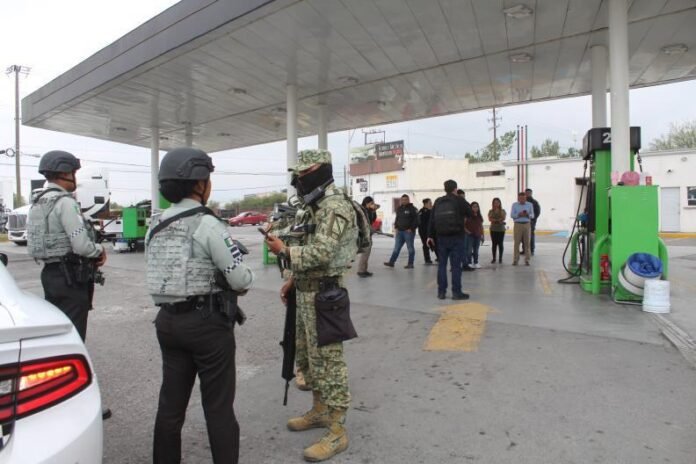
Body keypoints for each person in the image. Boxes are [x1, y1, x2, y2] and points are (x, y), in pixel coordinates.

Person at [146, 147, 254, 464]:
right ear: (199, 183)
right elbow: (241, 280)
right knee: (218, 408)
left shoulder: (156, 223)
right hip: (206, 326)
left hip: (167, 323)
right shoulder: (208, 225)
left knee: (170, 407)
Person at [265, 149, 358, 462]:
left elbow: (321, 252)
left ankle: (337, 431)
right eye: (299, 173)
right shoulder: (312, 206)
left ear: (323, 171)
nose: (300, 178)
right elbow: (305, 242)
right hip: (305, 293)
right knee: (307, 358)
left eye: (306, 172)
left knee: (330, 364)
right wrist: (292, 279)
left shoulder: (335, 205)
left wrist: (284, 252)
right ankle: (320, 410)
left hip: (325, 297)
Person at [26, 150, 110, 419]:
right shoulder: (65, 203)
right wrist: (99, 250)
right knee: (75, 341)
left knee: (59, 338)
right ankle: (77, 402)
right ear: (64, 173)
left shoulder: (38, 202)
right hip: (71, 277)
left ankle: (53, 398)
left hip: (51, 274)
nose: (75, 177)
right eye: (73, 172)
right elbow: (81, 245)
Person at [427, 180, 472, 300]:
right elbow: (470, 213)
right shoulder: (459, 200)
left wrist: (430, 235)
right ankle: (456, 293)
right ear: (455, 189)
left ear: (445, 189)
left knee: (442, 265)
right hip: (457, 237)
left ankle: (441, 292)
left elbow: (432, 219)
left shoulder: (438, 201)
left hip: (441, 237)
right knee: (456, 266)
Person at [384, 194, 418, 269]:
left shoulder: (413, 209)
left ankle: (410, 264)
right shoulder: (399, 208)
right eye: (402, 200)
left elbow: (417, 220)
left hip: (408, 232)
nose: (404, 201)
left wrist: (411, 228)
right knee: (396, 248)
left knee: (410, 248)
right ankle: (391, 262)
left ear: (408, 200)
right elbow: (397, 218)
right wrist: (396, 227)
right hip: (399, 232)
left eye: (405, 199)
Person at [511, 191, 535, 266]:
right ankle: (515, 260)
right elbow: (512, 215)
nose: (522, 200)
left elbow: (532, 215)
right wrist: (519, 214)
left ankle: (527, 260)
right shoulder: (514, 205)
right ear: (518, 198)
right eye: (520, 198)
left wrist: (528, 215)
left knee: (527, 243)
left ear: (526, 198)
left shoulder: (530, 205)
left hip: (527, 224)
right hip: (518, 224)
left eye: (524, 198)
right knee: (516, 243)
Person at [357, 196, 378, 277]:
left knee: (367, 252)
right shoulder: (362, 211)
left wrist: (374, 210)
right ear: (367, 203)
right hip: (364, 235)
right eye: (371, 203)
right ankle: (361, 271)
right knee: (365, 253)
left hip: (368, 233)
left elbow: (373, 220)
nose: (373, 204)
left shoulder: (369, 211)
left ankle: (364, 270)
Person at [464, 202, 484, 269]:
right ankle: (469, 262)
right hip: (470, 235)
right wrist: (468, 232)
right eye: (474, 207)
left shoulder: (479, 216)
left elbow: (481, 226)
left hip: (477, 235)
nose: (475, 208)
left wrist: (482, 235)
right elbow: (463, 226)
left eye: (476, 206)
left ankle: (476, 262)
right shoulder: (467, 216)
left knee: (476, 250)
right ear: (471, 208)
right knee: (469, 250)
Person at [488, 197, 507, 264]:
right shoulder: (491, 211)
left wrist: (495, 220)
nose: (496, 204)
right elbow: (490, 219)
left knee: (500, 243)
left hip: (501, 229)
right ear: (493, 204)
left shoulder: (503, 211)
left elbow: (503, 218)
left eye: (497, 203)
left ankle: (500, 258)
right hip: (493, 229)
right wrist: (498, 220)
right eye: (495, 203)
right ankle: (494, 258)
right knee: (494, 244)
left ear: (499, 203)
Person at [417, 198, 436, 265]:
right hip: (424, 232)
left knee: (434, 244)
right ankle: (427, 259)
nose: (431, 204)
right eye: (430, 203)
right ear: (425, 204)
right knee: (426, 245)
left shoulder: (431, 211)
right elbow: (420, 223)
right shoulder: (423, 211)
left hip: (431, 231)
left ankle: (438, 257)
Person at [525, 188, 541, 255]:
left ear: (531, 193)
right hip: (523, 221)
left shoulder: (534, 202)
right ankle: (524, 249)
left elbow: (537, 212)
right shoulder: (523, 202)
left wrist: (533, 219)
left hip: (531, 221)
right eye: (526, 193)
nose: (527, 194)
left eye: (529, 193)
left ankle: (531, 250)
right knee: (524, 236)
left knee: (531, 236)